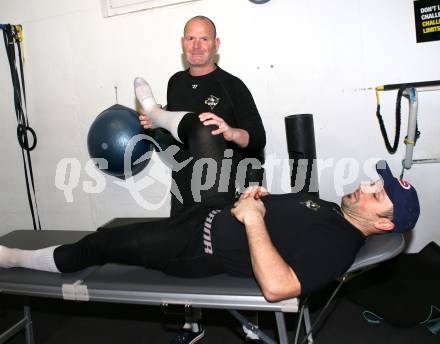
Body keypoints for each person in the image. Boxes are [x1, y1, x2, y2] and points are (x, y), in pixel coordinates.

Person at [0, 80, 420, 343]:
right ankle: (156, 117)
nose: (366, 185)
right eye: (375, 181)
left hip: (194, 245)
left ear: (382, 223)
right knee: (208, 132)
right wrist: (260, 199)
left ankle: (15, 258)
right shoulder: (333, 212)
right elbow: (285, 225)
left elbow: (278, 286)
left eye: (376, 193)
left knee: (101, 244)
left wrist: (254, 219)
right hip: (216, 208)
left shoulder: (338, 245)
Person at [139, 15, 266, 215]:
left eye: (204, 39)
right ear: (183, 43)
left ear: (216, 44)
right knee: (182, 244)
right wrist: (156, 120)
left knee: (218, 242)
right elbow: (178, 128)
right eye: (191, 39)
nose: (196, 46)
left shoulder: (232, 86)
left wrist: (231, 133)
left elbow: (258, 139)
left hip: (221, 190)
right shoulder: (175, 82)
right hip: (182, 189)